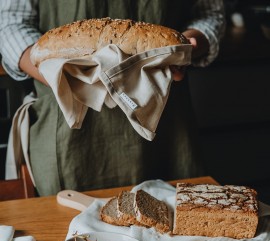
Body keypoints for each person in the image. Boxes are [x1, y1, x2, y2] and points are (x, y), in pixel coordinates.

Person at [0, 0, 225, 196]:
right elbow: (10, 24)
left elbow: (209, 14)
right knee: (71, 237)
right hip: (70, 137)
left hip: (166, 129)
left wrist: (187, 47)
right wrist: (58, 75)